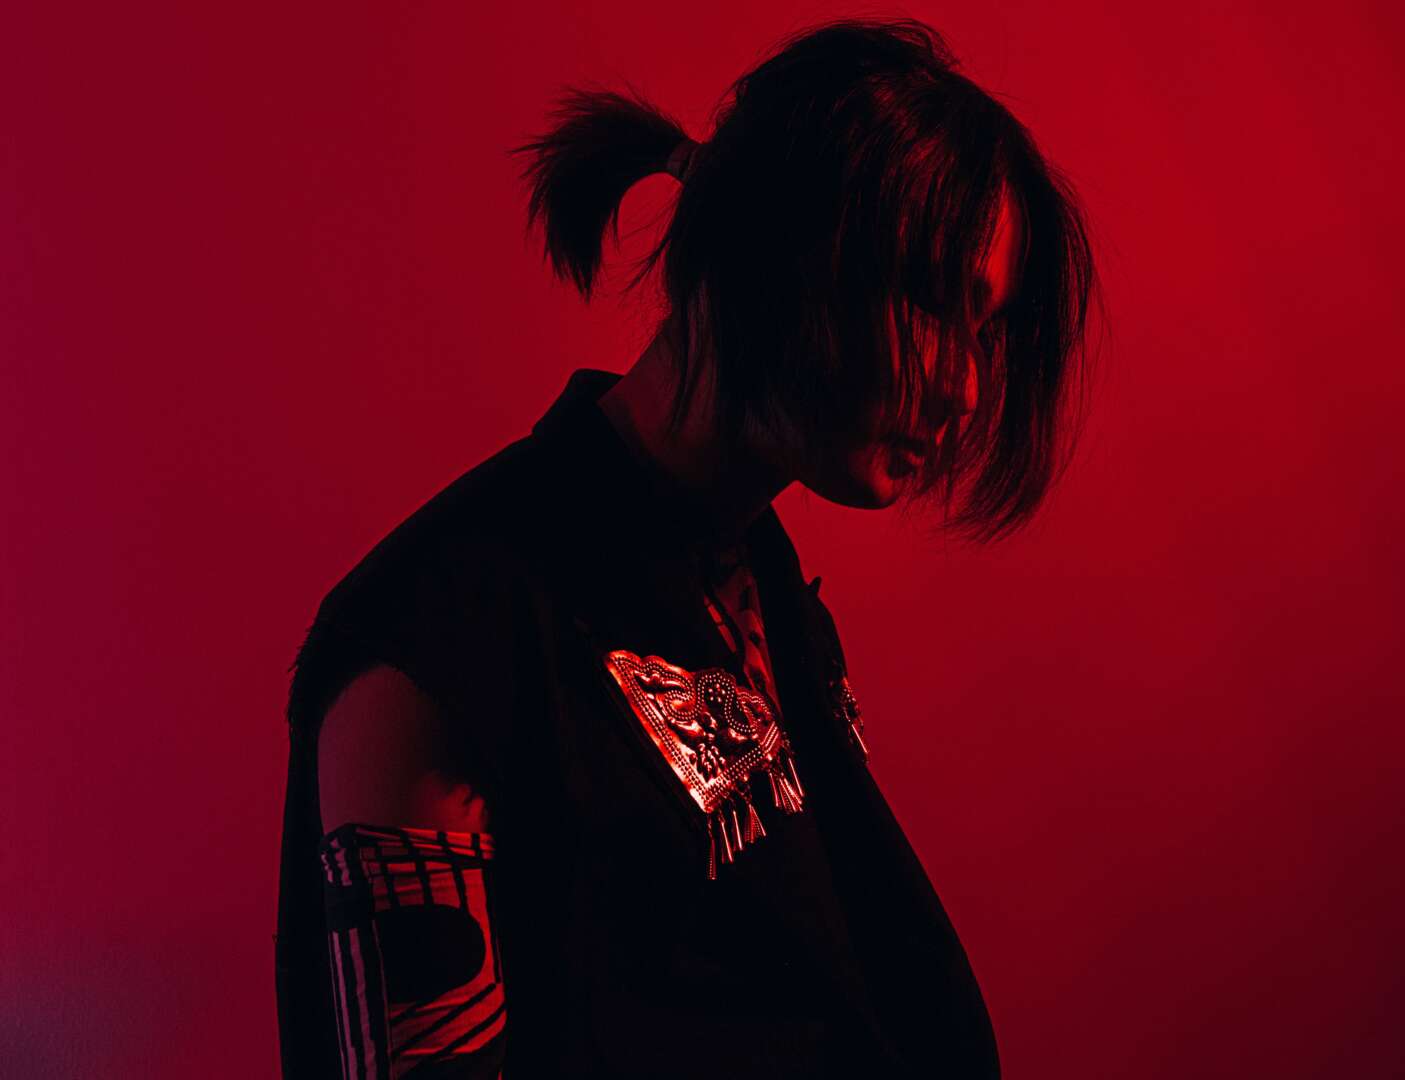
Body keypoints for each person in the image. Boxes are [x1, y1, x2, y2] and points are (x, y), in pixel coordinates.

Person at [275, 16, 1098, 1079]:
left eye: (984, 331)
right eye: (930, 300)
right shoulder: (446, 639)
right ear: (775, 250)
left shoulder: (763, 595)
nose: (966, 387)